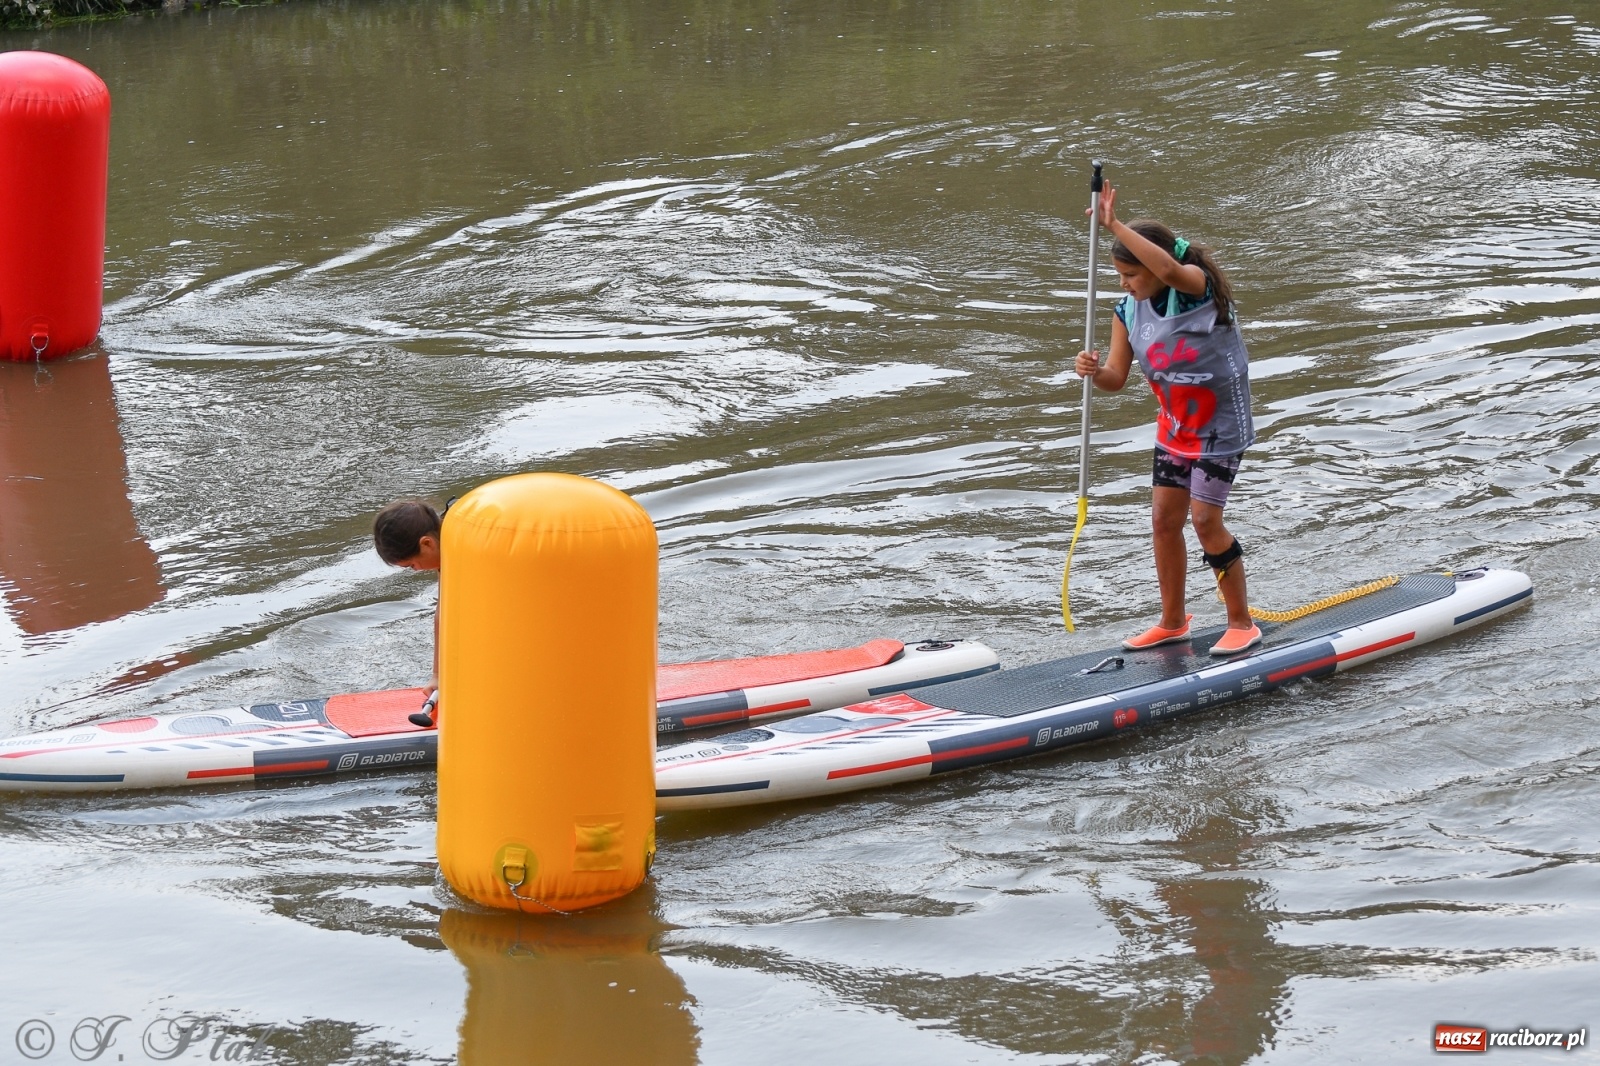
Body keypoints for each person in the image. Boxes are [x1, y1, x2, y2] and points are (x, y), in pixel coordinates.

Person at [1073, 182, 1260, 656]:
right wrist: (1093, 373)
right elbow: (1117, 378)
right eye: (1118, 275)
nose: (1124, 284)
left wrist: (1113, 225)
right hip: (1175, 429)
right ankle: (1173, 620)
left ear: (1153, 267)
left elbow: (1169, 268)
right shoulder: (1126, 311)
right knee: (1163, 521)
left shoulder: (1196, 286)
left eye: (1130, 274)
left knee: (1205, 521)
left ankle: (1241, 622)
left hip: (1220, 429)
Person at [372, 498, 445, 726]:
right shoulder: (445, 543)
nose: (416, 571)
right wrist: (438, 674)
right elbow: (443, 613)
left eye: (412, 565)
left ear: (426, 544)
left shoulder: (468, 550)